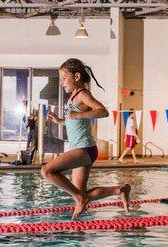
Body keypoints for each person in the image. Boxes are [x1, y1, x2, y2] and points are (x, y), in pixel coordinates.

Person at [43, 58, 131, 219]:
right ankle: (120, 189)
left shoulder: (83, 94)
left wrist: (79, 114)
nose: (62, 82)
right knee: (80, 192)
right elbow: (74, 121)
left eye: (64, 78)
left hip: (84, 149)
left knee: (46, 171)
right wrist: (59, 121)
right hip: (81, 149)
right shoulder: (73, 97)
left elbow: (103, 111)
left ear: (76, 76)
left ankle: (80, 199)